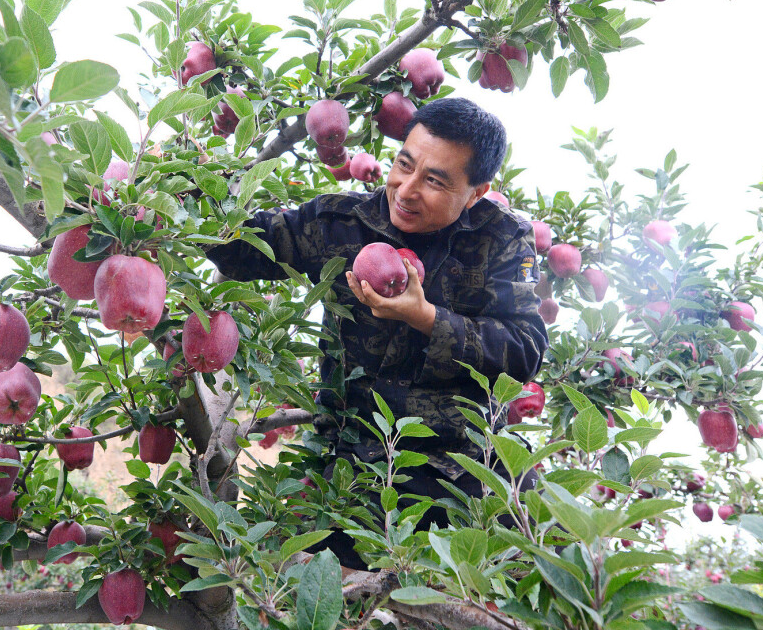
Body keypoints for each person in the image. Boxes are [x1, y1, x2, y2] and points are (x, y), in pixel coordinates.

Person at [205, 97, 548, 568]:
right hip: (355, 476)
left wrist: (425, 317)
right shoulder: (342, 223)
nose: (405, 190)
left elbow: (525, 349)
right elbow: (247, 246)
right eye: (404, 165)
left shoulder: (502, 238)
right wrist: (188, 187)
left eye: (434, 180)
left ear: (475, 192)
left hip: (462, 477)